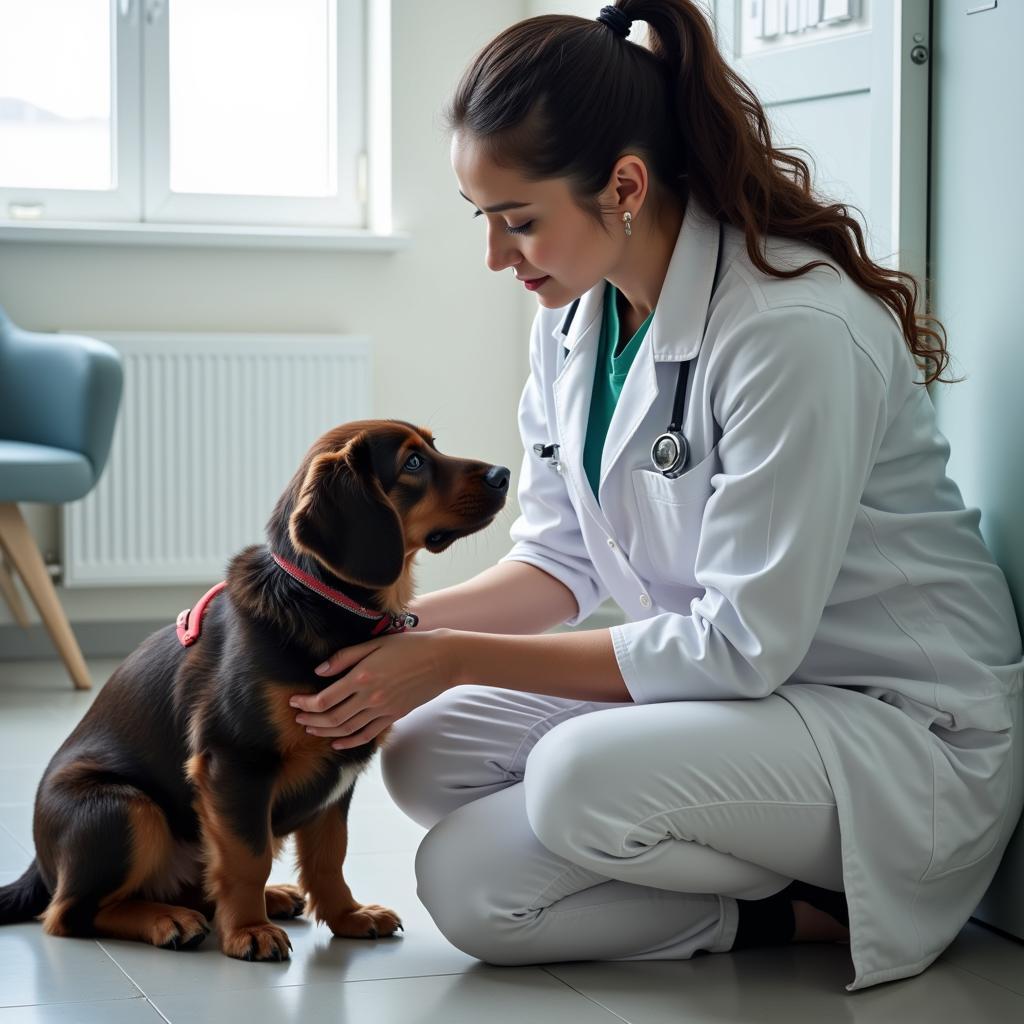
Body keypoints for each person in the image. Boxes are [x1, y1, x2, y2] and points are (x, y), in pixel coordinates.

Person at [288, 0, 1024, 991]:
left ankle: (833, 884)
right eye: (485, 221)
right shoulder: (569, 326)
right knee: (447, 827)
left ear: (623, 185)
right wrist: (357, 626)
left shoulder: (789, 329)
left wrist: (448, 652)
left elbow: (738, 643)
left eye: (518, 221)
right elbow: (558, 561)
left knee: (573, 777)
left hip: (892, 726)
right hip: (740, 704)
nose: (497, 259)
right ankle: (769, 905)